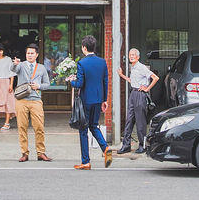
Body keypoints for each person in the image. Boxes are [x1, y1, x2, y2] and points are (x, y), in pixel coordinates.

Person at [66, 35, 112, 170]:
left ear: (84, 48)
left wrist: (71, 81)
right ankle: (105, 147)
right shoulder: (102, 62)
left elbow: (79, 84)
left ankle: (86, 161)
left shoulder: (82, 63)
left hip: (86, 100)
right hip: (98, 99)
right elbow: (105, 82)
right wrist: (105, 100)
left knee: (83, 129)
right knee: (94, 126)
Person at [10, 43, 52, 162]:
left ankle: (41, 152)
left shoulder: (42, 68)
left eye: (32, 53)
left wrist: (38, 86)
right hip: (21, 100)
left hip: (36, 100)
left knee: (39, 127)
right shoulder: (21, 65)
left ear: (37, 55)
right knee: (22, 127)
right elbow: (13, 69)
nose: (30, 55)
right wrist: (15, 64)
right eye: (28, 53)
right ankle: (24, 153)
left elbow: (47, 84)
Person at [116, 48, 158, 154]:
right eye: (130, 54)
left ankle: (142, 145)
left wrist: (147, 89)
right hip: (133, 93)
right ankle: (126, 145)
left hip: (140, 95)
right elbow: (133, 81)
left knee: (140, 122)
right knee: (129, 120)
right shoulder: (133, 68)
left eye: (133, 55)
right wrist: (122, 76)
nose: (131, 56)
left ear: (138, 57)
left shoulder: (141, 67)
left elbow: (155, 78)